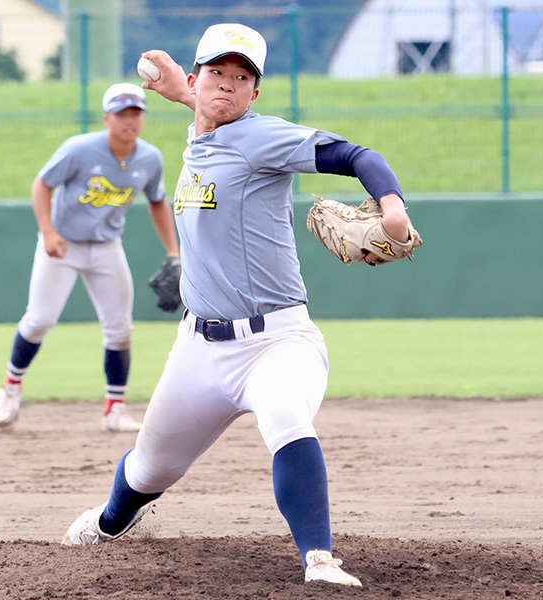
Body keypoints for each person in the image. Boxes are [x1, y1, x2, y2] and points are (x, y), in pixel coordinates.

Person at [60, 24, 415, 587]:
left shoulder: (261, 137)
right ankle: (109, 525)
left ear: (256, 94)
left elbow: (353, 154)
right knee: (152, 466)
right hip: (198, 348)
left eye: (242, 76)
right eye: (217, 73)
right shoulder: (200, 137)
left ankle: (318, 559)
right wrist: (182, 92)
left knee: (284, 415)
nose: (228, 84)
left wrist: (391, 205)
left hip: (277, 340)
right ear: (199, 79)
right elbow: (207, 119)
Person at [0, 82, 179, 433]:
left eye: (136, 113)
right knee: (39, 320)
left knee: (120, 330)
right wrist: (48, 232)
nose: (130, 120)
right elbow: (41, 184)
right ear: (107, 117)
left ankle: (114, 410)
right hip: (64, 245)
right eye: (122, 113)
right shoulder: (80, 149)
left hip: (107, 247)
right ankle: (11, 389)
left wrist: (173, 252)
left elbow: (157, 201)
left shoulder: (149, 158)